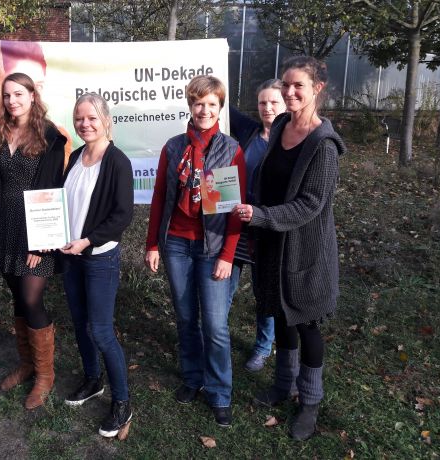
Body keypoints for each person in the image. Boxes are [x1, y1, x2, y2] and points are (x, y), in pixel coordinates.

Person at [234, 56, 345, 441]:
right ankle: (284, 385)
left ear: (318, 88)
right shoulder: (281, 125)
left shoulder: (323, 145)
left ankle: (310, 403)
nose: (289, 92)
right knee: (280, 316)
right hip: (272, 243)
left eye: (298, 85)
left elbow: (311, 204)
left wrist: (260, 215)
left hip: (305, 250)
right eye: (286, 85)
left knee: (305, 322)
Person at [144, 75, 246, 427]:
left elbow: (233, 210)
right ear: (190, 105)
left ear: (220, 109)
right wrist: (152, 243)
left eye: (212, 105)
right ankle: (192, 377)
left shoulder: (229, 149)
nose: (204, 110)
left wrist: (228, 256)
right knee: (186, 318)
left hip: (213, 247)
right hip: (175, 242)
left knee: (216, 326)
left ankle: (219, 392)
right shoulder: (174, 148)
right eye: (198, 103)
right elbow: (160, 197)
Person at [0, 72, 67, 410]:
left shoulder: (49, 137)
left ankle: (45, 375)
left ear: (33, 95)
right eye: (7, 95)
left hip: (37, 232)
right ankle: (27, 363)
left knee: (32, 299)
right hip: (5, 226)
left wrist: (40, 241)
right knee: (17, 297)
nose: (12, 100)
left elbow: (51, 188)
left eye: (18, 94)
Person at [60, 93, 134, 438]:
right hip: (71, 256)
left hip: (99, 257)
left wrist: (87, 240)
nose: (84, 124)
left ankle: (123, 402)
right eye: (79, 118)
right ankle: (93, 379)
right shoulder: (76, 156)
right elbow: (65, 204)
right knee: (79, 323)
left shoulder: (117, 161)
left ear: (105, 119)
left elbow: (123, 215)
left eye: (91, 118)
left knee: (101, 330)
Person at [227, 79, 286, 373]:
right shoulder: (250, 131)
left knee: (265, 293)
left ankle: (263, 347)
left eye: (274, 102)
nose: (268, 108)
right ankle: (216, 339)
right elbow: (220, 101)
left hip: (267, 227)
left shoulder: (290, 139)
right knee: (224, 284)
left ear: (285, 104)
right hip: (238, 224)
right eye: (263, 102)